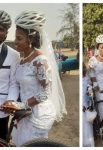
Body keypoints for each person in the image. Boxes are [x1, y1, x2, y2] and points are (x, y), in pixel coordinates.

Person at [2, 10, 67, 146]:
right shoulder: (22, 59)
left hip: (37, 114)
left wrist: (22, 105)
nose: (15, 42)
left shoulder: (40, 61)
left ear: (30, 39)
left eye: (19, 38)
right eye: (15, 37)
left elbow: (45, 93)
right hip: (24, 113)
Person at [0, 10, 20, 140]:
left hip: (1, 110)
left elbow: (14, 83)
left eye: (1, 29)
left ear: (7, 32)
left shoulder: (14, 55)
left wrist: (10, 100)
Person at [82, 63, 95, 147]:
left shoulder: (86, 77)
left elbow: (89, 89)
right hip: (83, 104)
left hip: (86, 103)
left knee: (88, 123)